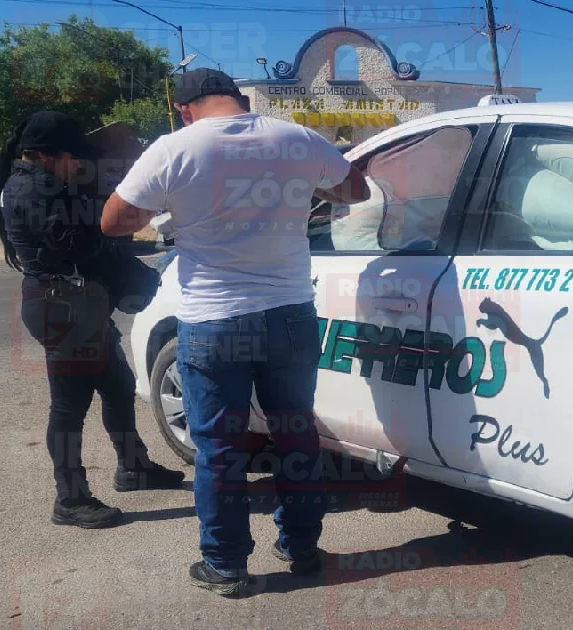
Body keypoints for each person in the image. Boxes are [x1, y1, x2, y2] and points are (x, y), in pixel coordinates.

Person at [100, 69, 370, 596]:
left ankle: (226, 566)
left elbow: (114, 221)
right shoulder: (296, 137)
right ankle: (300, 547)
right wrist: (296, 193)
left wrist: (175, 205)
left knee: (220, 448)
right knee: (296, 433)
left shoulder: (173, 148)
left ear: (185, 108)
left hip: (214, 319)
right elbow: (356, 190)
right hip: (290, 312)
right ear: (240, 100)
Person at [0, 111, 185, 529]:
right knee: (68, 407)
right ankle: (71, 498)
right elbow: (76, 244)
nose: (78, 164)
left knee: (117, 386)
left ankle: (133, 468)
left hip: (77, 302)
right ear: (48, 155)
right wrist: (111, 211)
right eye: (72, 157)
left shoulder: (46, 183)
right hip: (62, 305)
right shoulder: (31, 188)